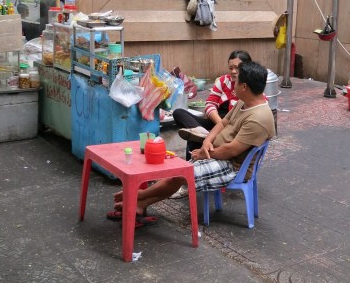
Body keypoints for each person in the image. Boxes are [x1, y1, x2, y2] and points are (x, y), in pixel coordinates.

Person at [107, 60, 275, 227]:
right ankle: (139, 202)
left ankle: (136, 198)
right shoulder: (244, 102)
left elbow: (231, 151)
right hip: (217, 154)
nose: (233, 84)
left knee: (181, 175)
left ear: (244, 86)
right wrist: (208, 141)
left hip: (233, 167)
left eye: (236, 82)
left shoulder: (258, 118)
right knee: (177, 173)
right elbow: (223, 123)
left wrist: (204, 153)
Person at [171, 50, 252, 197]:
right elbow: (210, 104)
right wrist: (219, 125)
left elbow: (241, 118)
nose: (233, 72)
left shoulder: (249, 88)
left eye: (237, 68)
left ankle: (189, 175)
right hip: (215, 124)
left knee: (192, 139)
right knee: (178, 113)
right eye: (231, 68)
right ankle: (203, 135)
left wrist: (222, 130)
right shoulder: (223, 81)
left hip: (230, 133)